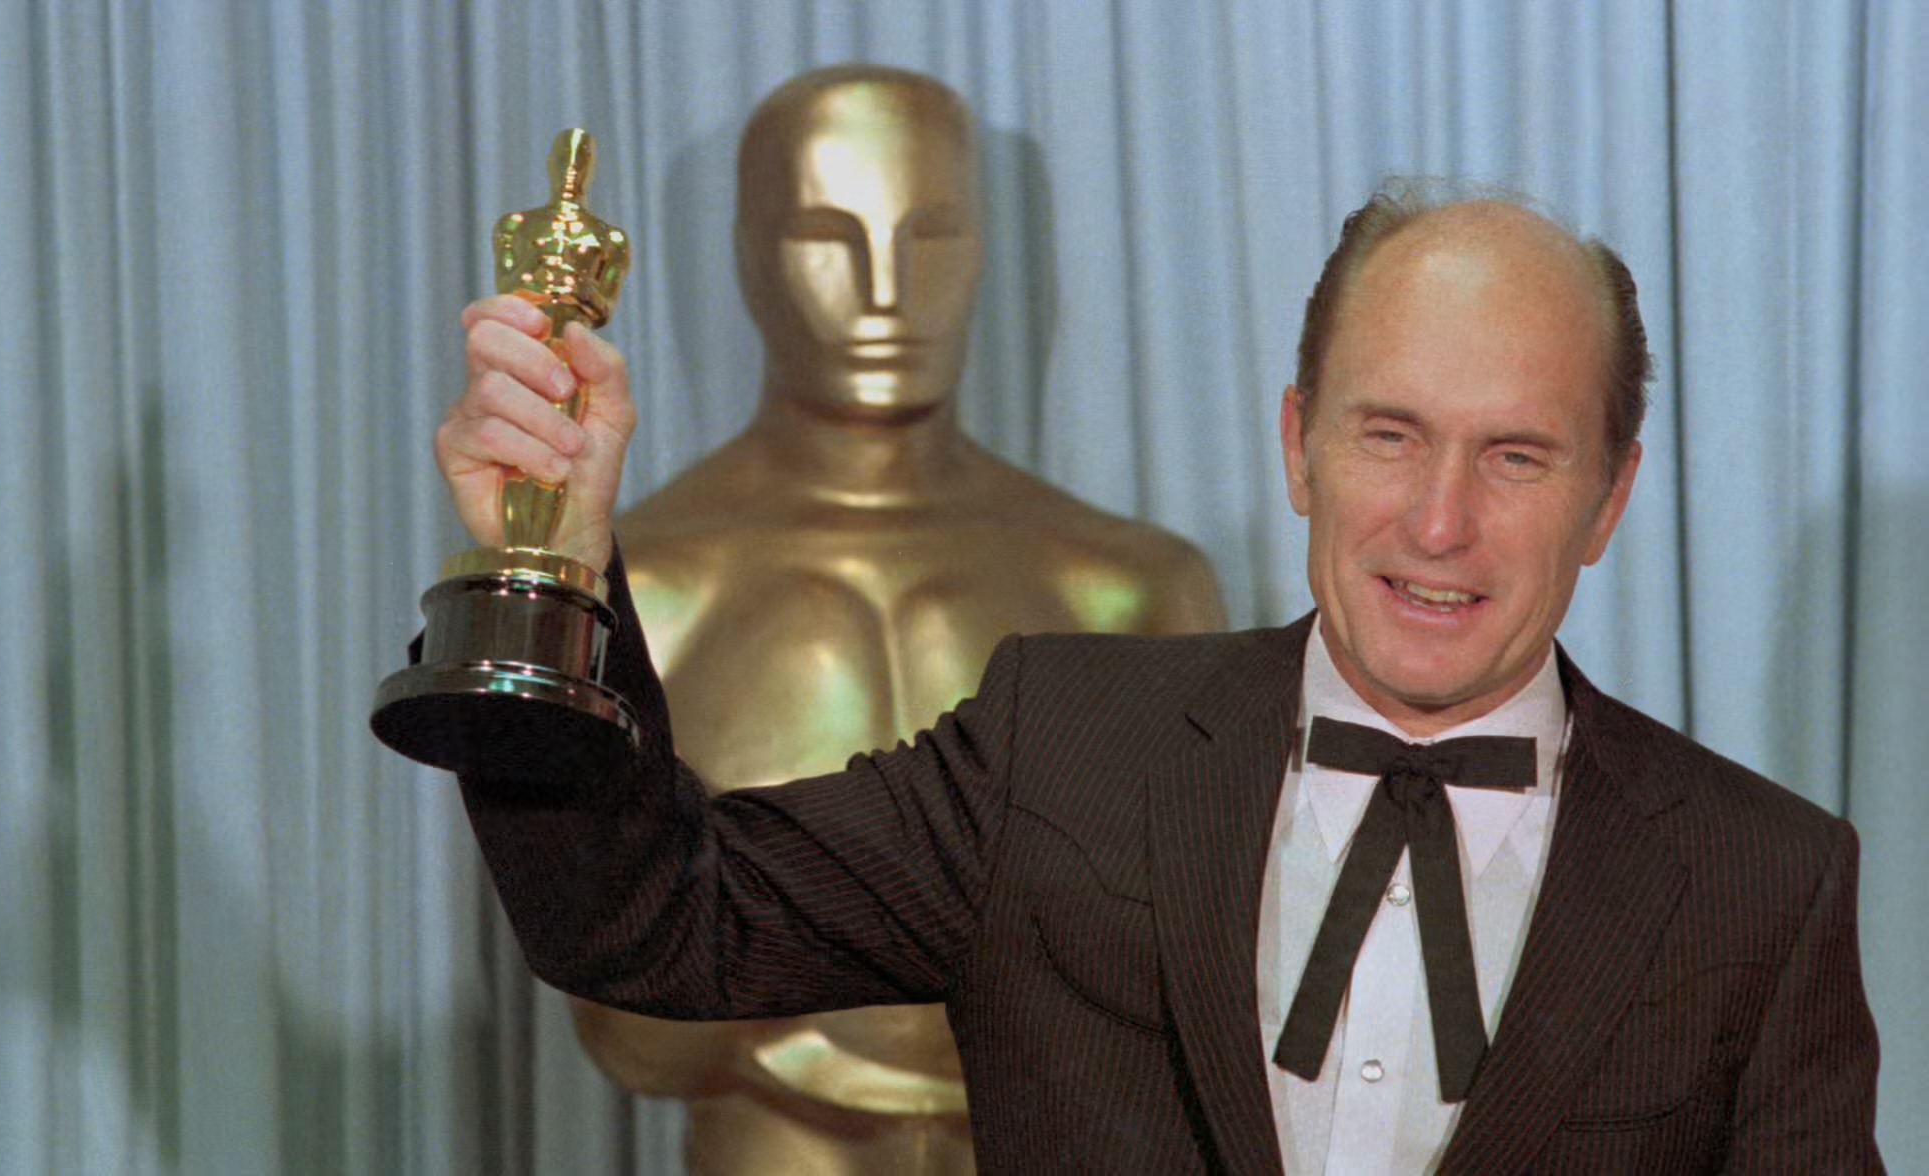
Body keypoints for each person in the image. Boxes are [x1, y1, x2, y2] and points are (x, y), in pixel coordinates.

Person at [432, 181, 1881, 1171]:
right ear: (1298, 443)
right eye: (1389, 435)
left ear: (1610, 497)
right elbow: (651, 918)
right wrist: (549, 564)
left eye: (1516, 456)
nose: (1439, 524)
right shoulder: (1059, 749)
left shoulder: (1762, 884)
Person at [561, 65, 1222, 1174]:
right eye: (828, 236)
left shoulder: (1131, 587)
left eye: (932, 236)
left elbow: (1193, 976)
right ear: (747, 255)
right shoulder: (645, 590)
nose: (885, 291)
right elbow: (631, 1030)